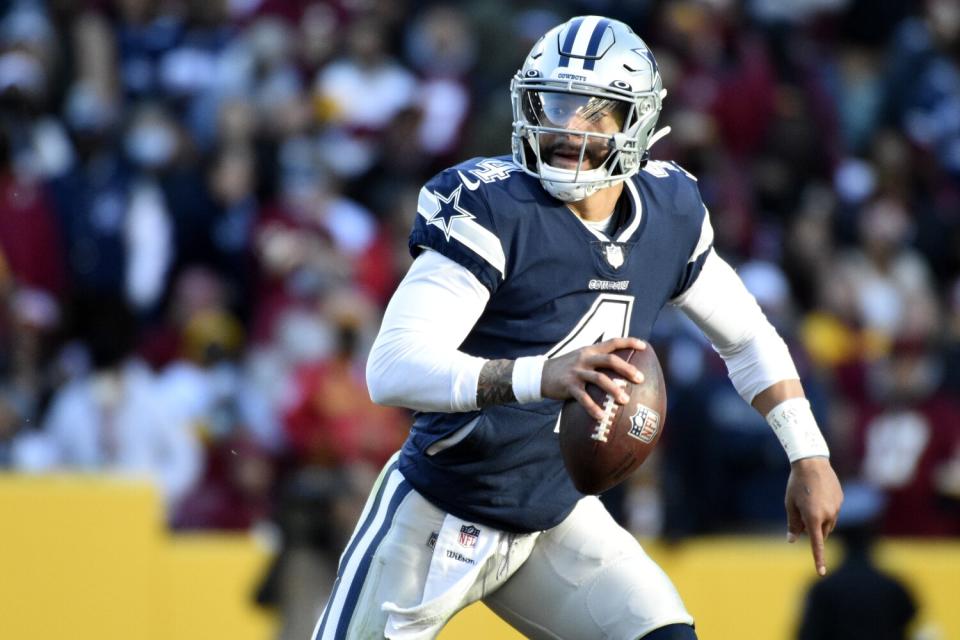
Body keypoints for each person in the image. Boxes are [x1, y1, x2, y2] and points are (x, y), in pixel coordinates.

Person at [313, 16, 843, 640]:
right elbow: (393, 367)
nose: (567, 126)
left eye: (595, 112)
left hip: (554, 518)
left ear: (636, 123)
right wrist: (544, 375)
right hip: (439, 511)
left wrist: (807, 451)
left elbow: (747, 336)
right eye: (555, 103)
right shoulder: (493, 207)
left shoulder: (667, 212)